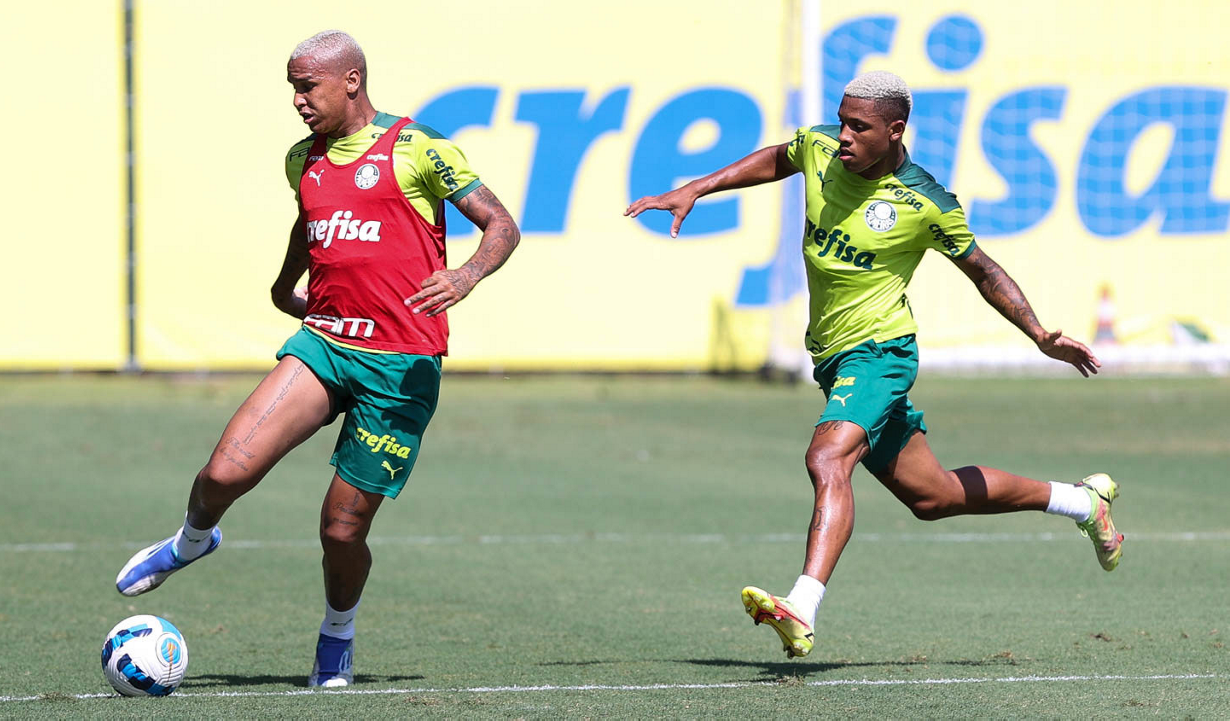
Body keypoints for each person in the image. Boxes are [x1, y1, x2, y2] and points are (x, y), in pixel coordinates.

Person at [625, 71, 1121, 660]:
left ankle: (802, 606)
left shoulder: (925, 202)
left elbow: (984, 270)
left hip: (881, 353)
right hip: (833, 358)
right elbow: (779, 157)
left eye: (858, 126)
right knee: (934, 497)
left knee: (826, 456)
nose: (843, 135)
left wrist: (1038, 334)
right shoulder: (820, 149)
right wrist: (697, 188)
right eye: (842, 121)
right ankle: (1082, 502)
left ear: (895, 130)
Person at [115, 30, 519, 687]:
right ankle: (192, 540)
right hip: (325, 342)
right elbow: (310, 221)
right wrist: (285, 286)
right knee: (224, 470)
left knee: (340, 530)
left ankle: (338, 634)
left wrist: (467, 275)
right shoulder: (302, 157)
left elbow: (501, 224)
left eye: (308, 87)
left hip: (400, 365)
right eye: (293, 88)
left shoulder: (417, 147)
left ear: (351, 81)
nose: (298, 100)